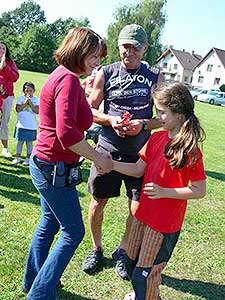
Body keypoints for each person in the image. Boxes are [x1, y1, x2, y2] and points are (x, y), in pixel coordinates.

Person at [22, 27, 112, 300]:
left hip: (45, 164)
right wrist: (97, 156)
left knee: (49, 221)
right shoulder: (68, 80)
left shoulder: (64, 77)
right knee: (73, 231)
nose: (98, 62)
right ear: (79, 50)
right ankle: (39, 293)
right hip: (52, 167)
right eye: (94, 55)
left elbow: (71, 123)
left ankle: (33, 282)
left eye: (100, 57)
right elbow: (67, 134)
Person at [112, 82, 206, 300]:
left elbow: (199, 190)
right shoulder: (156, 138)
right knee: (133, 261)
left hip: (163, 224)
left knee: (145, 274)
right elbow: (137, 169)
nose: (158, 117)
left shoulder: (189, 150)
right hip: (143, 216)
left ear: (180, 114)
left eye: (162, 112)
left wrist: (165, 191)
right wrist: (112, 164)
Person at [82, 24, 162, 278]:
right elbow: (89, 111)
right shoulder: (105, 72)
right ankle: (96, 249)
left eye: (135, 47)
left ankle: (124, 252)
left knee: (136, 209)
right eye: (125, 47)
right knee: (97, 202)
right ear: (119, 46)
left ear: (145, 48)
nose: (129, 52)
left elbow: (164, 118)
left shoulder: (154, 75)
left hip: (141, 153)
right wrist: (110, 120)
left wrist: (143, 124)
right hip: (107, 149)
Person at [12, 82, 39, 166]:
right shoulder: (20, 98)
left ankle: (28, 159)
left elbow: (37, 111)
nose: (28, 93)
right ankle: (17, 158)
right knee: (19, 142)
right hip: (21, 125)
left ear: (33, 91)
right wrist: (25, 103)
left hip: (31, 126)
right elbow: (18, 109)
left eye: (30, 91)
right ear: (23, 91)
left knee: (29, 143)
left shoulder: (36, 100)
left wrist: (30, 103)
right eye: (26, 90)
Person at [0, 41, 19, 157]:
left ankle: (5, 148)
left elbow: (15, 77)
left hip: (7, 96)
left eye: (3, 48)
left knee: (4, 123)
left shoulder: (10, 62)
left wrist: (5, 67)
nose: (1, 50)